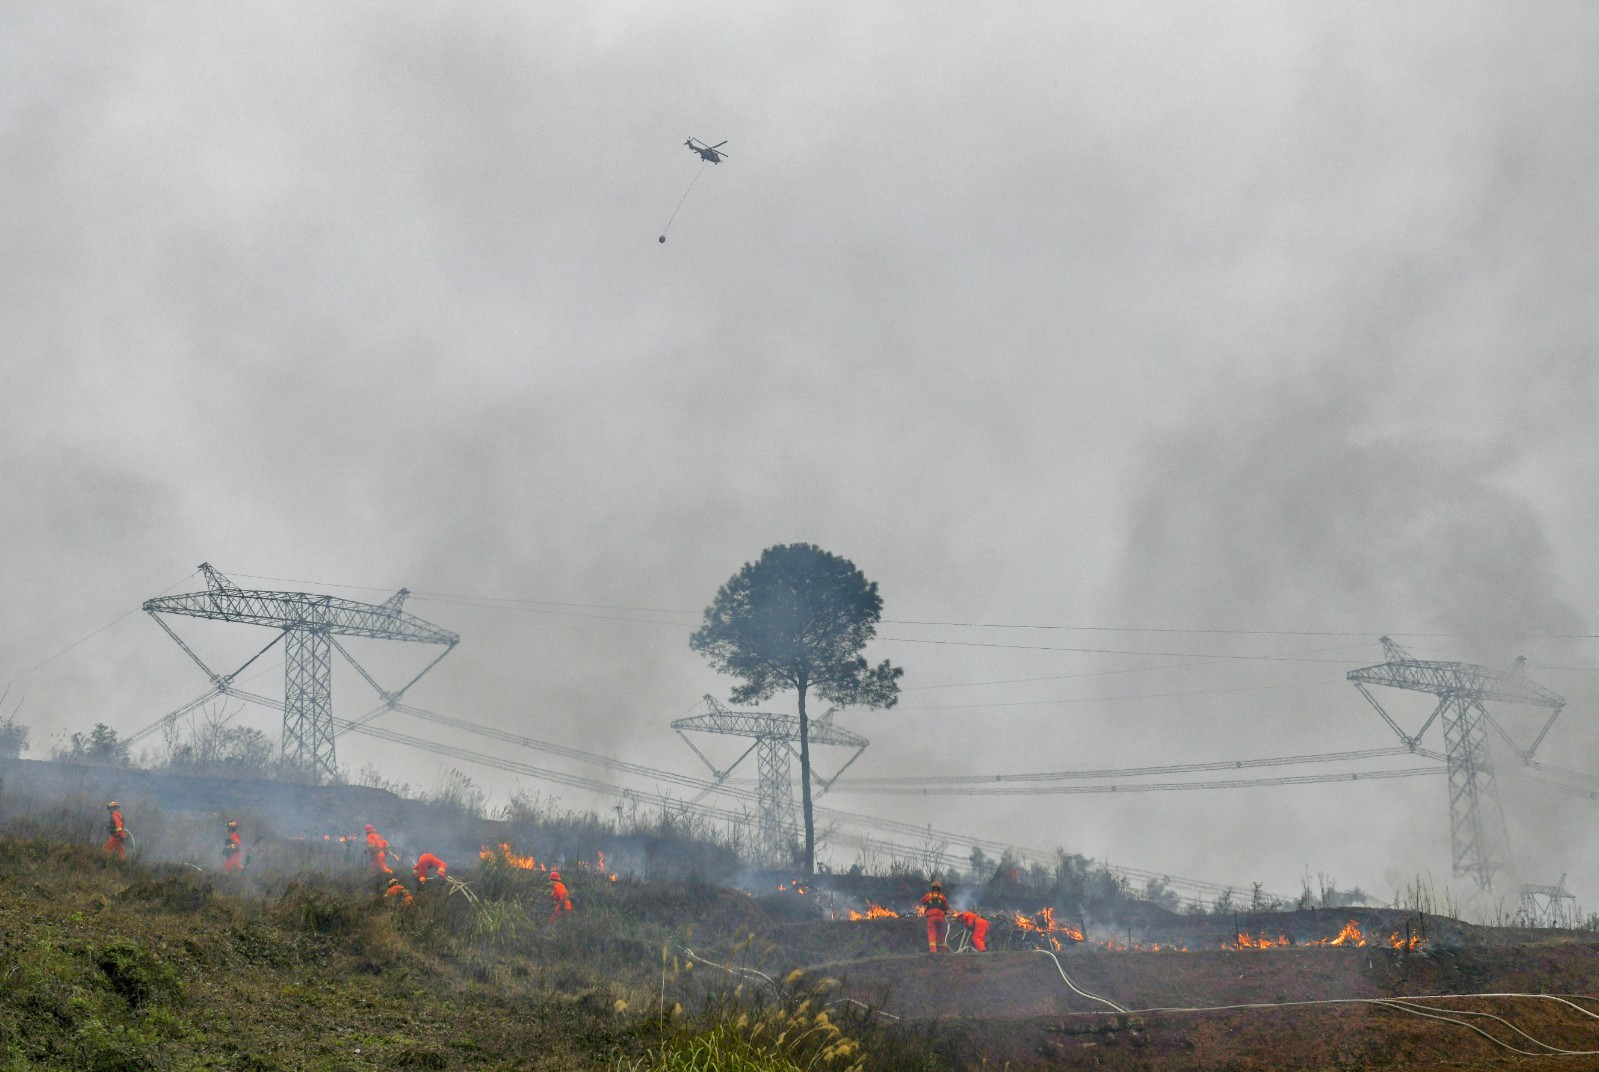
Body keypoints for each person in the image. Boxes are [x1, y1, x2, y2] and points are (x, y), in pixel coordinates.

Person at [920, 881, 950, 953]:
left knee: (932, 932)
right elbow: (947, 907)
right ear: (940, 888)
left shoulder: (928, 895)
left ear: (932, 888)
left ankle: (933, 950)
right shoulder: (942, 896)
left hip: (931, 916)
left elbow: (922, 901)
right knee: (941, 933)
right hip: (940, 917)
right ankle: (943, 951)